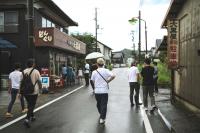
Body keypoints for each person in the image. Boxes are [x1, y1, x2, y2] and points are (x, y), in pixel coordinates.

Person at [90, 58, 115, 124]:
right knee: (103, 105)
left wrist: (96, 84)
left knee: (98, 104)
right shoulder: (106, 70)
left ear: (97, 64)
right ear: (103, 64)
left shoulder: (94, 72)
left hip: (97, 91)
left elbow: (92, 80)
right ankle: (102, 117)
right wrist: (108, 81)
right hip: (104, 91)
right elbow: (113, 76)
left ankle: (102, 116)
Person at [20, 58, 42, 128]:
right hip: (34, 91)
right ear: (33, 64)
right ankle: (27, 119)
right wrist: (41, 89)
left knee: (30, 104)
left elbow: (21, 82)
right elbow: (39, 81)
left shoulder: (23, 72)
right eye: (34, 63)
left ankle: (32, 116)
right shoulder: (36, 71)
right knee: (32, 105)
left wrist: (20, 92)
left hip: (25, 91)